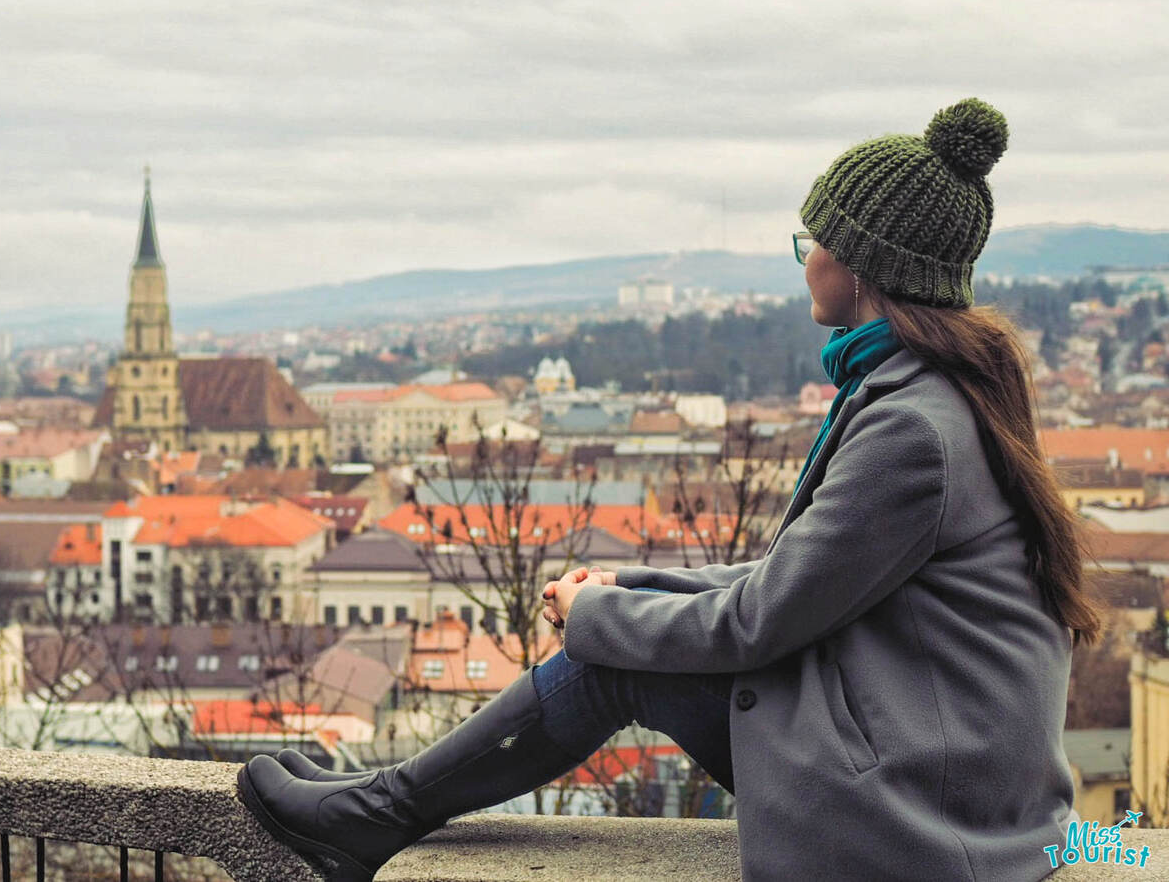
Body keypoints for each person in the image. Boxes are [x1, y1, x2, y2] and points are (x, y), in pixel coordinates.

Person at [236, 97, 1104, 882]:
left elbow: (763, 618)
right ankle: (377, 797)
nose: (805, 263)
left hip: (924, 807)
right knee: (615, 639)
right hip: (945, 763)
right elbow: (792, 583)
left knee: (604, 665)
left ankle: (371, 817)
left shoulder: (912, 427)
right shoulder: (934, 392)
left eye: (813, 243)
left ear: (863, 267)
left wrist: (595, 619)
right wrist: (626, 588)